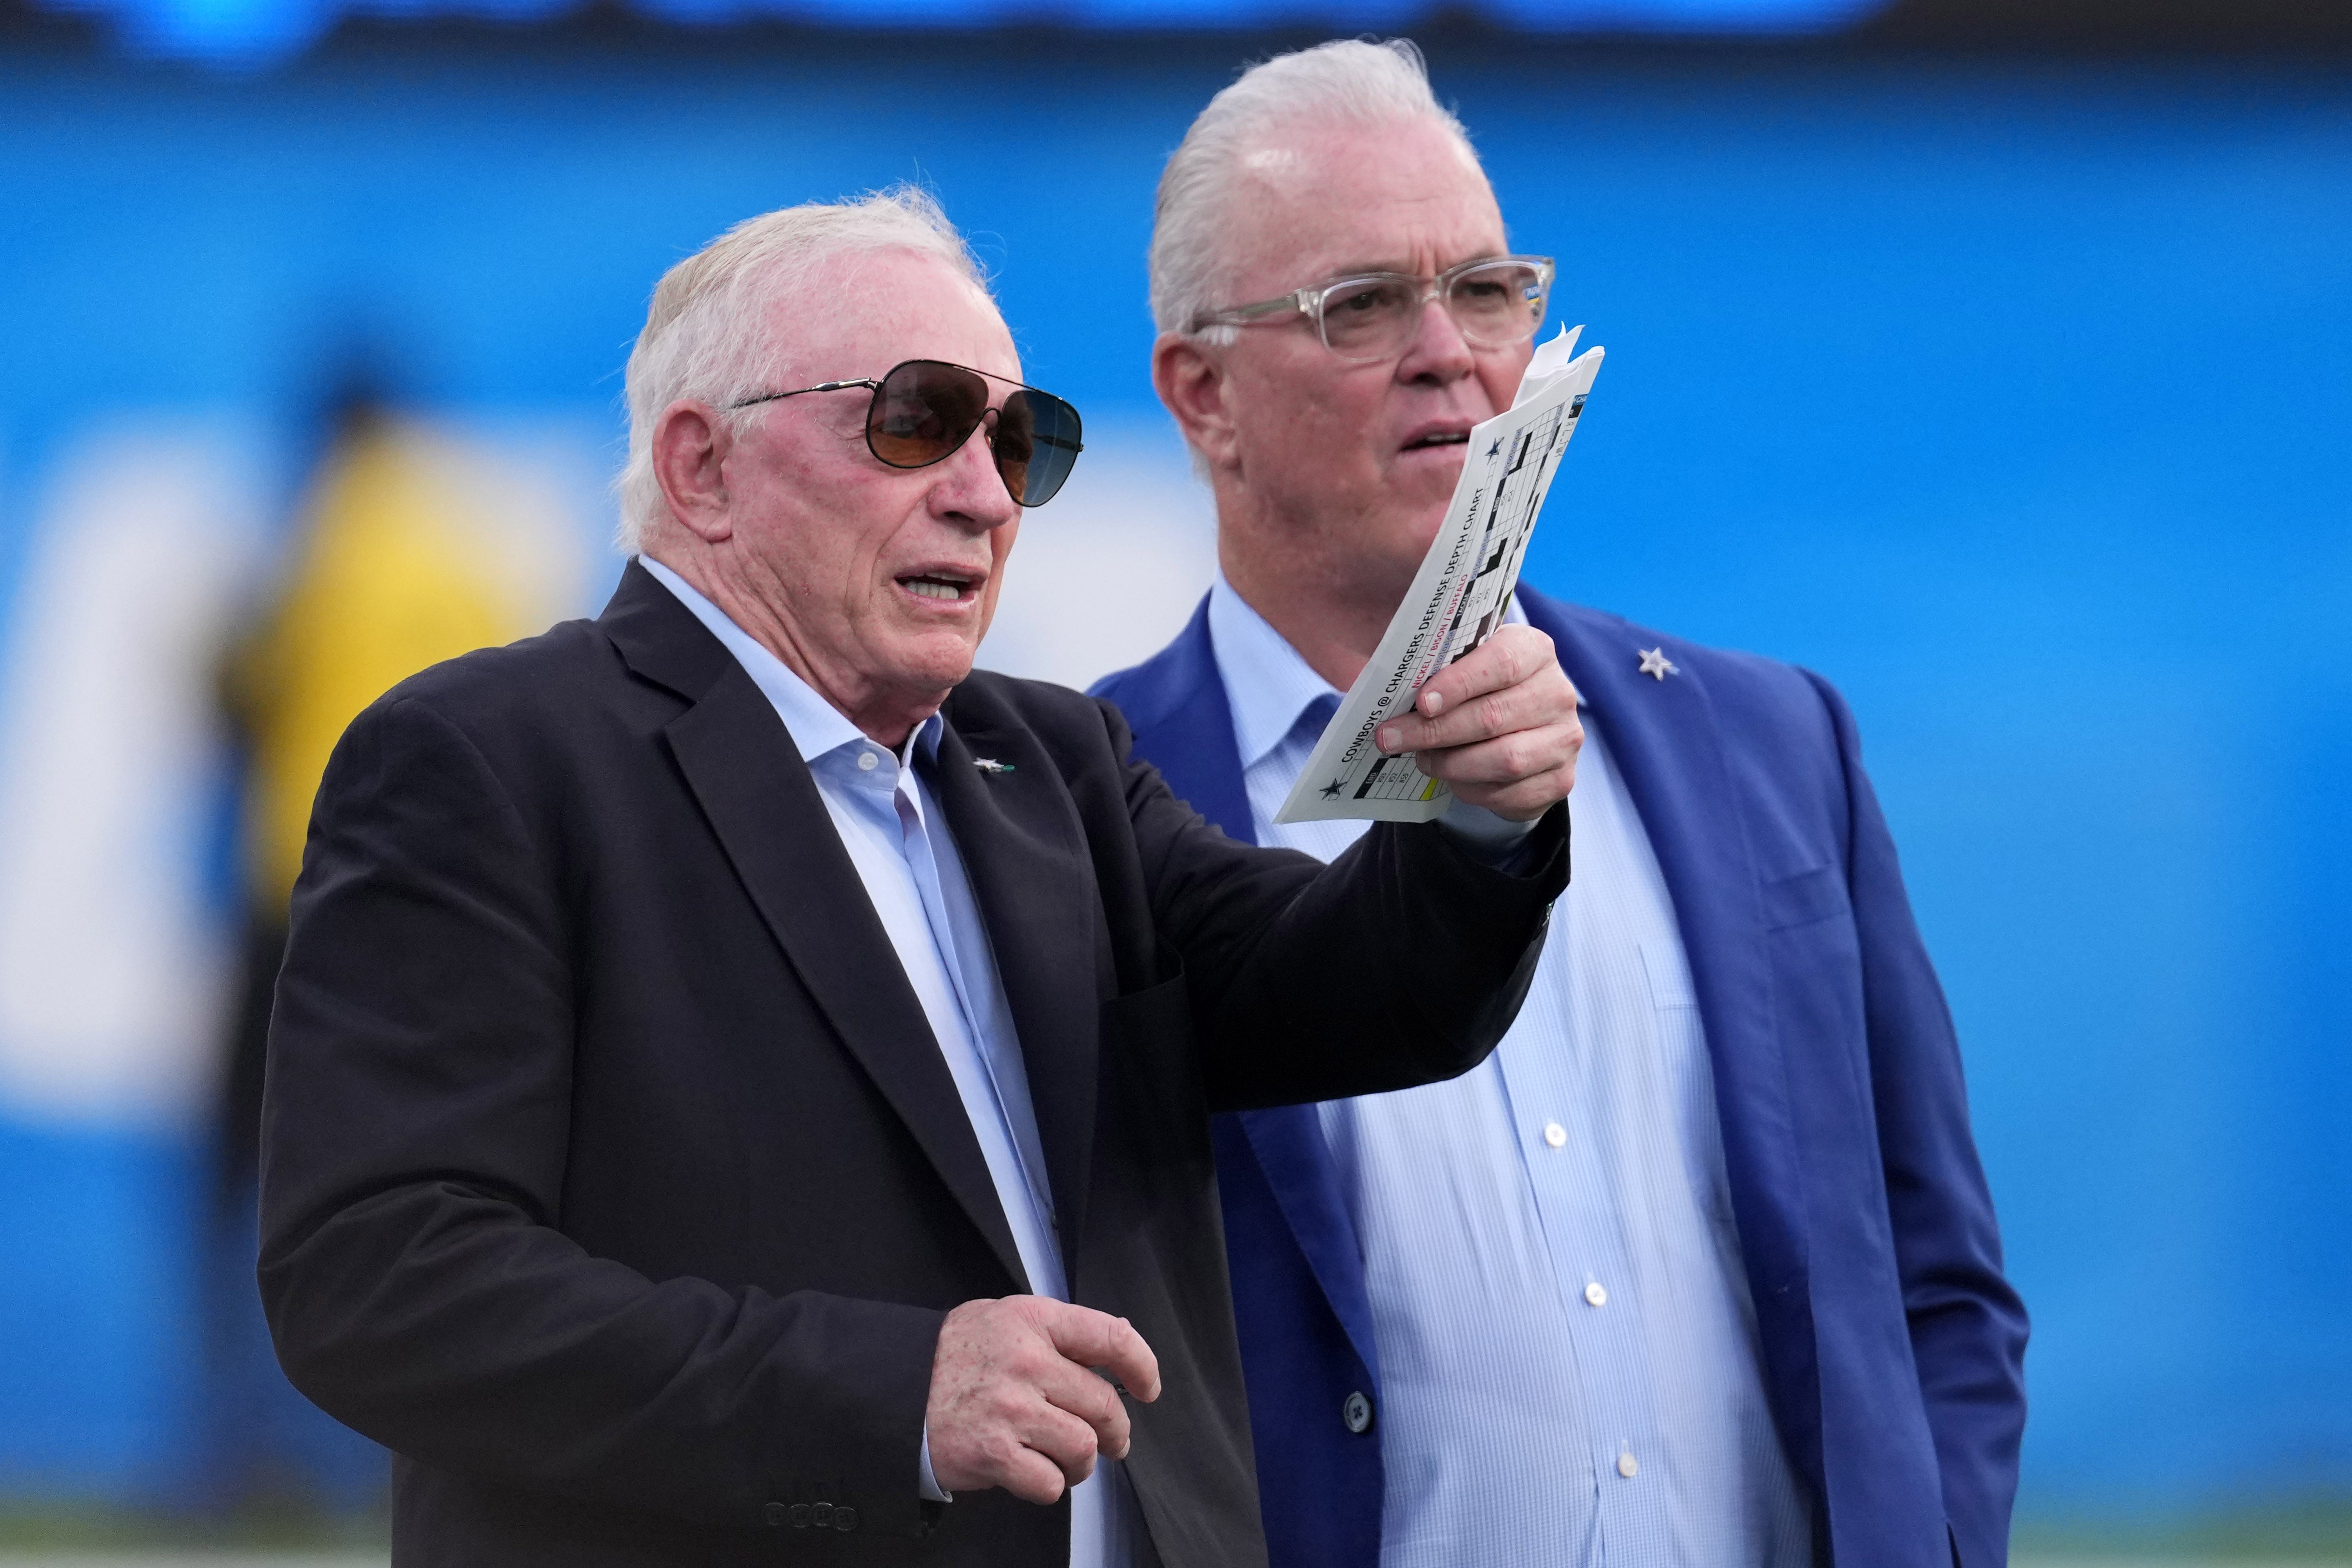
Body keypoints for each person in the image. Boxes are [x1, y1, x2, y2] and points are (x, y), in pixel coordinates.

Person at [257, 187, 1580, 1568]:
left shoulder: (1048, 758)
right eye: (916, 420)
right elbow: (380, 1281)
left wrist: (1479, 820)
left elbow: (1349, 993)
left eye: (1016, 440)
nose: (981, 490)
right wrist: (889, 1397)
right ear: (704, 466)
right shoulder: (496, 760)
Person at [1092, 40, 2030, 1568]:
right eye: (1361, 304)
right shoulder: (1071, 807)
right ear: (1202, 395)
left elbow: (1933, 1278)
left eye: (1486, 289)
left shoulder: (1768, 743)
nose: (1447, 349)